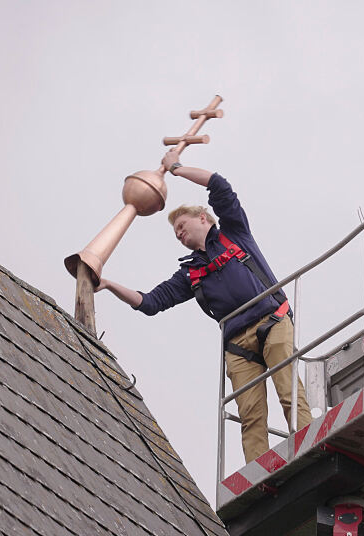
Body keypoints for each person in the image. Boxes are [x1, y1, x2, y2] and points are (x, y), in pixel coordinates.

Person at [97, 149, 312, 463]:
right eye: (175, 233)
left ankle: (309, 444)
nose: (179, 233)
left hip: (272, 320)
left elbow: (219, 185)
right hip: (238, 343)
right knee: (250, 414)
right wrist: (109, 284)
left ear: (204, 218)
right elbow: (150, 302)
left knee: (288, 390)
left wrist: (177, 168)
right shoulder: (190, 273)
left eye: (182, 225)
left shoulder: (234, 233)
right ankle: (261, 471)